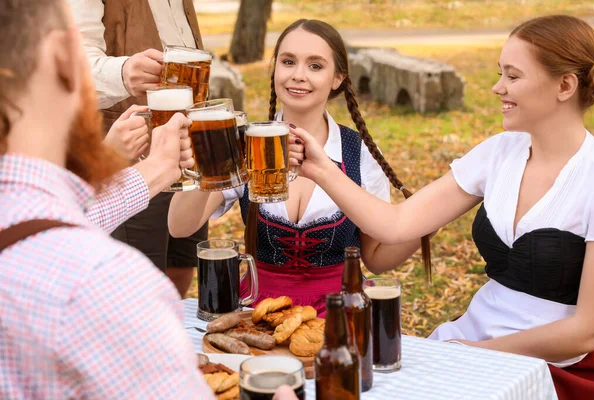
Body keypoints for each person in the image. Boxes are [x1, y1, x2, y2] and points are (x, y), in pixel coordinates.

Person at [0, 2, 299, 399]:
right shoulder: (109, 283)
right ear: (62, 57)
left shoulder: (32, 228)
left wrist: (156, 169)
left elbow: (71, 217)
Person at [294, 15, 594, 399]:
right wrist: (322, 170)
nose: (497, 87)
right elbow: (396, 225)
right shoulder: (498, 153)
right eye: (499, 73)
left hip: (559, 369)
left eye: (513, 76)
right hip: (472, 337)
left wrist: (475, 354)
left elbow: (588, 330)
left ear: (565, 85)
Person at [168, 19, 427, 316]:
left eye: (315, 66)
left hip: (340, 312)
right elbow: (179, 227)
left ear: (337, 78)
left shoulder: (359, 153)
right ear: (275, 69)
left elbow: (376, 258)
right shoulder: (246, 144)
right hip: (256, 310)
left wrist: (426, 221)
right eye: (288, 62)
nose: (298, 76)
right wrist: (214, 159)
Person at [67, 0, 209, 298]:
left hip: (187, 144)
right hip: (132, 146)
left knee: (181, 264)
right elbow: (70, 67)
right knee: (143, 274)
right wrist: (123, 72)